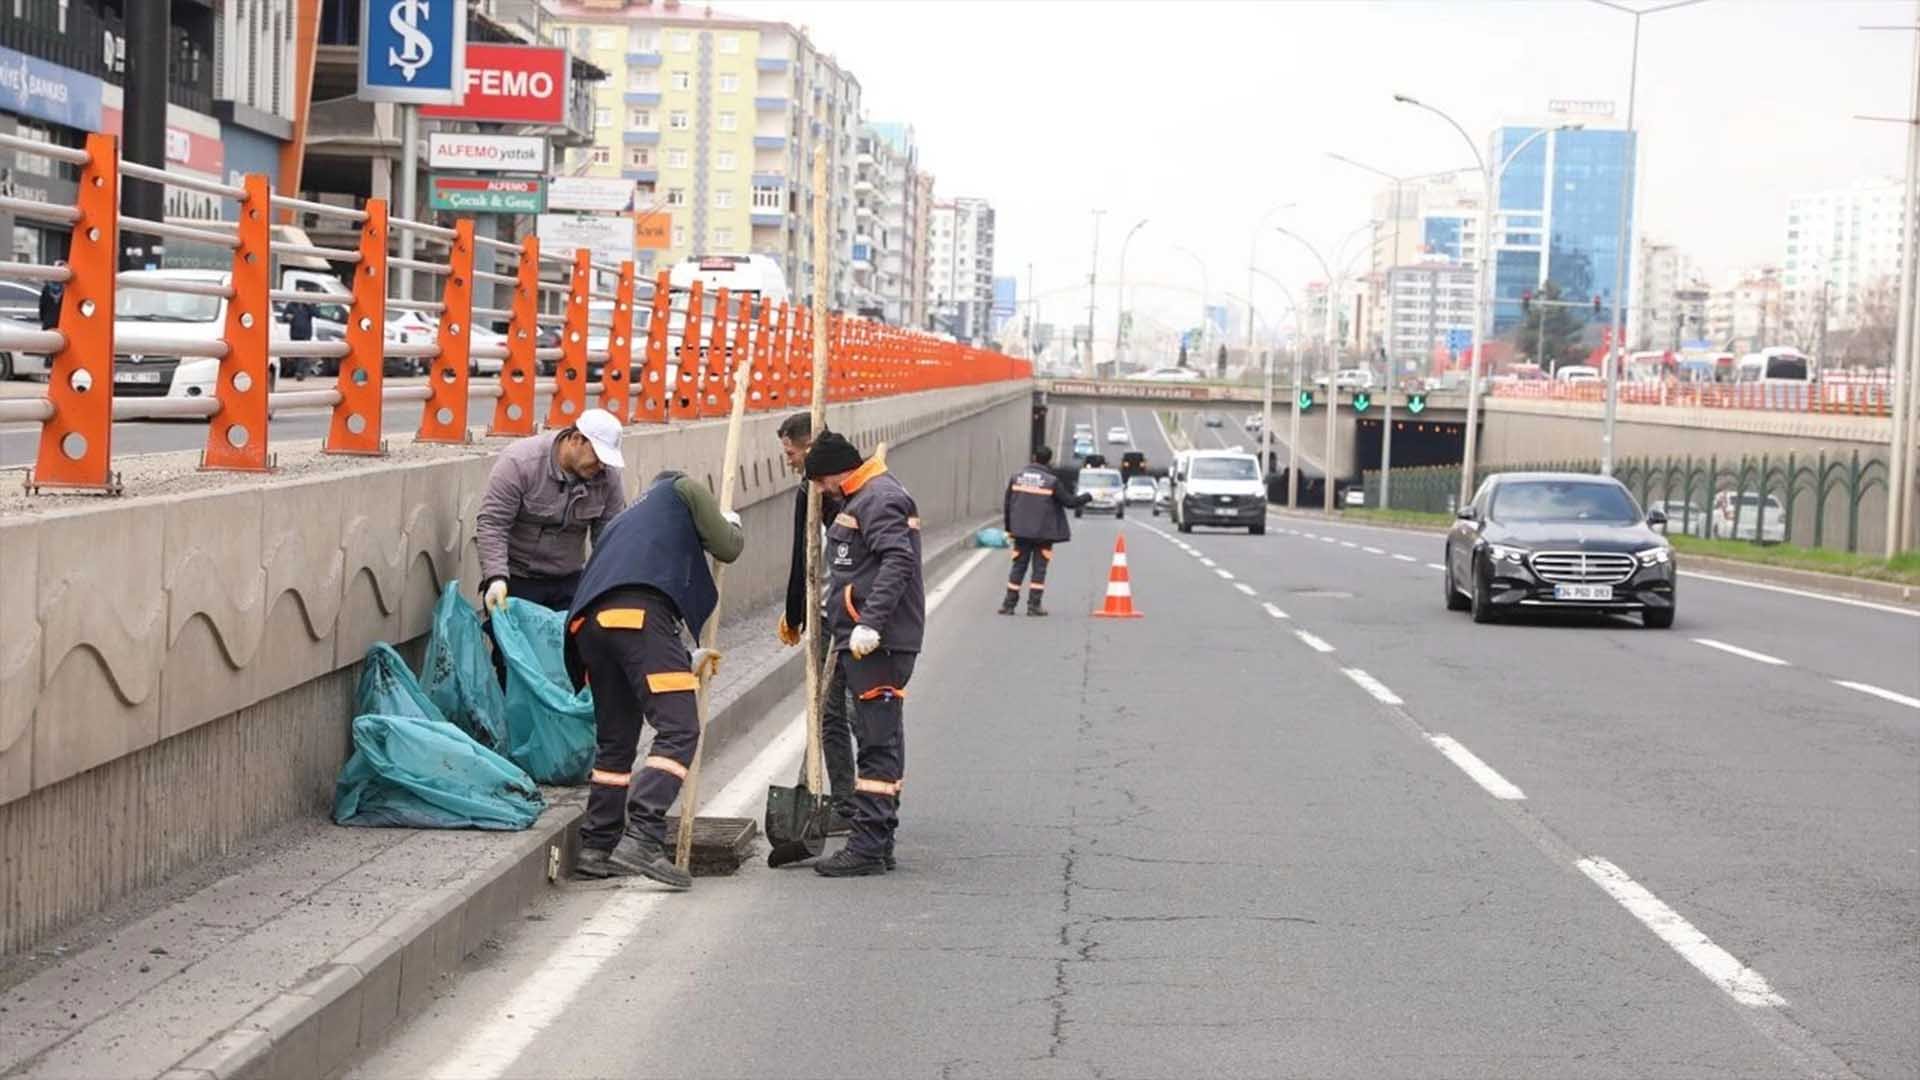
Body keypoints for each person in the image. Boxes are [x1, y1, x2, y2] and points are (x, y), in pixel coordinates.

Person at [566, 470, 745, 888]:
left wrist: (682, 658)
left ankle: (597, 846)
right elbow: (728, 548)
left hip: (590, 626)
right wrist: (730, 524)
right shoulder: (682, 488)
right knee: (680, 728)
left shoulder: (633, 517)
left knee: (616, 740)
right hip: (639, 618)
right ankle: (643, 834)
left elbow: (634, 644)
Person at [805, 431, 924, 877]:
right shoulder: (864, 496)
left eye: (819, 482)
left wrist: (870, 622)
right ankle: (879, 838)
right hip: (867, 638)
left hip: (879, 642)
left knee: (876, 743)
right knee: (880, 739)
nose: (820, 491)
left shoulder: (879, 498)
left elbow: (897, 560)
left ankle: (869, 846)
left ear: (836, 472)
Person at [476, 409, 628, 681]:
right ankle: (515, 720)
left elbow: (610, 536)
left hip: (568, 579)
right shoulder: (520, 463)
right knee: (514, 665)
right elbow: (492, 523)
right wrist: (496, 577)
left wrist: (611, 588)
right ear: (576, 440)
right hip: (517, 578)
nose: (600, 468)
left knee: (573, 658)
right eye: (597, 458)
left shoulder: (607, 478)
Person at [775, 412, 857, 823]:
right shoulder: (807, 493)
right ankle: (845, 802)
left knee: (862, 712)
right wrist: (795, 614)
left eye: (791, 452)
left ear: (808, 447)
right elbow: (802, 557)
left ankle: (877, 802)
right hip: (826, 614)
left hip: (860, 619)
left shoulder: (856, 487)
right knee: (829, 713)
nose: (788, 461)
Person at [1000, 445, 1089, 617]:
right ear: (1049, 460)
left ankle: (1008, 605)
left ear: (1033, 457)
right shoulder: (1051, 481)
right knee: (1039, 570)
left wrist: (1010, 528)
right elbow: (1069, 502)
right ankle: (1034, 606)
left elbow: (1007, 505)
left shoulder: (1016, 478)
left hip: (1021, 533)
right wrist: (1088, 496)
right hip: (1043, 534)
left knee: (1018, 566)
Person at [38, 260, 65, 331]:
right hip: (61, 322)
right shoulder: (67, 288)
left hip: (49, 322)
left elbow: (42, 307)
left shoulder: (47, 287)